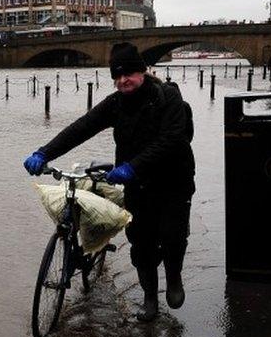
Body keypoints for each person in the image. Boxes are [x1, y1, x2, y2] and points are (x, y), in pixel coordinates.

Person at [23, 43, 196, 322]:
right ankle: (150, 298)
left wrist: (132, 166)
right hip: (139, 185)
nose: (123, 80)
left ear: (143, 72)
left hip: (174, 181)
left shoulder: (168, 98)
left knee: (173, 237)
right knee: (141, 244)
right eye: (117, 76)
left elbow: (172, 140)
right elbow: (82, 127)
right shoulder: (116, 103)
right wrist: (44, 152)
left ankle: (174, 278)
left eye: (129, 73)